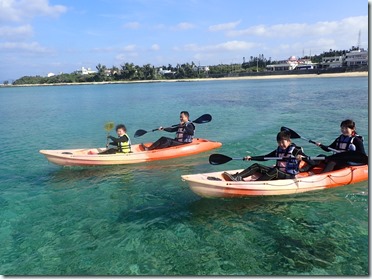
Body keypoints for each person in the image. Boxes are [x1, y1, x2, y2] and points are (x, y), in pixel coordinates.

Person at [222, 130, 311, 182]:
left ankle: (255, 183)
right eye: (279, 142)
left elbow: (312, 162)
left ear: (289, 141)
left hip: (289, 175)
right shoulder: (278, 150)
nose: (281, 144)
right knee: (256, 166)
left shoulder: (295, 151)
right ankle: (237, 177)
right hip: (279, 172)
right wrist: (251, 158)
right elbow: (265, 157)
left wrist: (303, 158)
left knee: (275, 170)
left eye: (282, 142)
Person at [301, 119, 366, 173]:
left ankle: (322, 175)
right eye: (342, 128)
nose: (343, 130)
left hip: (347, 162)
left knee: (333, 161)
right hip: (337, 159)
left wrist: (348, 155)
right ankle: (303, 170)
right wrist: (320, 145)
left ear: (353, 129)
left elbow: (362, 155)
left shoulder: (357, 140)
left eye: (346, 128)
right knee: (321, 156)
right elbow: (328, 149)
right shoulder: (340, 138)